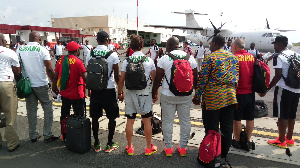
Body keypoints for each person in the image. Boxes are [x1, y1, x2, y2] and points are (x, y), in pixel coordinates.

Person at [193, 35, 239, 162]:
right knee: (227, 128)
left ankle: (213, 155)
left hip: (213, 99)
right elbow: (236, 80)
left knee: (212, 129)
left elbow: (202, 80)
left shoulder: (210, 58)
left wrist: (197, 97)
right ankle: (223, 155)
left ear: (214, 43)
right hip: (230, 97)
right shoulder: (233, 58)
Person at [152, 37, 198, 157]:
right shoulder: (190, 58)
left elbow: (158, 79)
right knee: (185, 121)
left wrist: (154, 93)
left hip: (168, 95)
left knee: (167, 121)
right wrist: (197, 95)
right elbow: (196, 78)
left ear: (170, 45)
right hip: (186, 96)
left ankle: (168, 148)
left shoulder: (164, 59)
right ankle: (182, 148)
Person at [118, 35, 157, 156]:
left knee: (130, 121)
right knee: (146, 121)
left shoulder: (127, 60)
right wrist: (155, 94)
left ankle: (129, 147)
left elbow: (121, 80)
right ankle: (148, 147)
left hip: (130, 94)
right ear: (142, 46)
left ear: (131, 47)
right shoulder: (148, 60)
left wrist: (120, 92)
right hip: (145, 94)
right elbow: (154, 79)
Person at [17, 32, 59, 142]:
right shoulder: (42, 50)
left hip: (28, 84)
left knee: (31, 110)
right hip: (41, 84)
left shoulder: (20, 50)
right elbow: (49, 69)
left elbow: (18, 68)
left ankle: (33, 135)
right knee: (48, 108)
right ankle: (47, 134)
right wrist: (54, 82)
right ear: (39, 39)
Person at [260, 36, 300, 148]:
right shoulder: (296, 54)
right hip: (297, 89)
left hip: (284, 88)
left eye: (274, 44)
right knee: (292, 115)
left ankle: (281, 140)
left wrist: (267, 88)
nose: (274, 47)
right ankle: (289, 138)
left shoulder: (279, 57)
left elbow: (277, 76)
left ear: (278, 44)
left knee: (282, 115)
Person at [88, 31, 120, 153]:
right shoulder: (113, 54)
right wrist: (120, 91)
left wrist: (89, 89)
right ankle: (109, 144)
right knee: (111, 118)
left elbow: (90, 74)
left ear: (97, 40)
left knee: (95, 117)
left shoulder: (91, 53)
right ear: (107, 40)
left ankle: (96, 143)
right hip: (109, 90)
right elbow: (116, 76)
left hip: (95, 89)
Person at [52, 41, 87, 141]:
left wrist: (54, 89)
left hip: (64, 94)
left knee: (64, 115)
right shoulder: (78, 62)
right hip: (77, 94)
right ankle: (79, 136)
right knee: (79, 116)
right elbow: (85, 78)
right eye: (79, 49)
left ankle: (65, 135)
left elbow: (55, 77)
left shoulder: (60, 61)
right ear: (76, 50)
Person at [231, 39, 256, 150]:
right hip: (250, 92)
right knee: (250, 118)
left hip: (238, 92)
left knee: (237, 118)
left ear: (235, 47)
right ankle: (248, 140)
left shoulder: (234, 58)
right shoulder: (251, 56)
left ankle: (237, 140)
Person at [0, 33, 21, 152]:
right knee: (10, 114)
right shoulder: (10, 52)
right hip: (5, 83)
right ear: (3, 40)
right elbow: (17, 71)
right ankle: (12, 143)